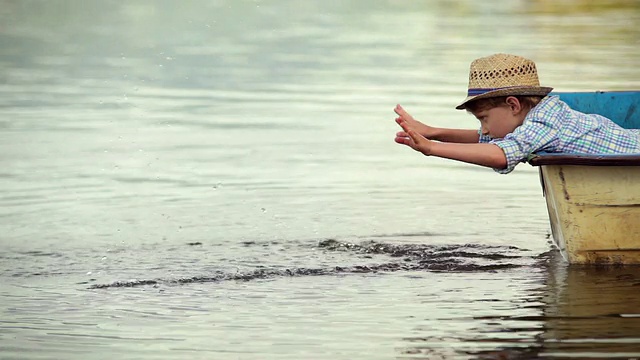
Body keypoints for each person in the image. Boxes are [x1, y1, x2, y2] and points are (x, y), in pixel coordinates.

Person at [393, 53, 640, 174]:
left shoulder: (544, 122)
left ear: (513, 105)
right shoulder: (538, 117)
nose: (485, 129)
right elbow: (486, 141)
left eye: (484, 119)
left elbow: (501, 154)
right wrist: (434, 132)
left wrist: (432, 149)